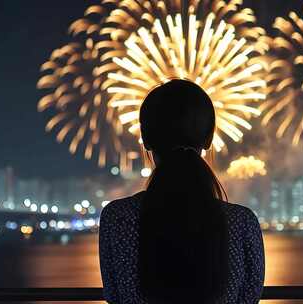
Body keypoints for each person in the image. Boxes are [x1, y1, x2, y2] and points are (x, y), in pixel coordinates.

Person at [99, 79, 265, 303]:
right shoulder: (242, 222)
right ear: (208, 140)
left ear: (146, 141)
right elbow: (249, 296)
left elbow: (114, 295)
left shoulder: (116, 218)